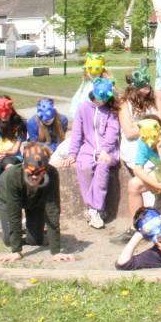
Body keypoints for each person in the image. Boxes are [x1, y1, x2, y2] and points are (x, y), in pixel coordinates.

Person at [0, 143, 74, 263]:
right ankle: (15, 230)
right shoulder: (12, 176)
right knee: (9, 241)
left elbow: (53, 210)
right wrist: (16, 251)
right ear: (23, 166)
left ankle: (26, 226)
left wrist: (56, 251)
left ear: (45, 170)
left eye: (39, 174)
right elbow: (14, 213)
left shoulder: (52, 174)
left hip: (35, 199)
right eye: (30, 173)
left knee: (35, 241)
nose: (34, 177)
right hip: (7, 197)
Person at [64, 77, 121, 229]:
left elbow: (112, 132)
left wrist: (105, 150)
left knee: (102, 167)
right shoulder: (83, 108)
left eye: (103, 99)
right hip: (88, 150)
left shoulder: (111, 110)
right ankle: (94, 209)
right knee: (84, 168)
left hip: (108, 151)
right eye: (98, 98)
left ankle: (95, 208)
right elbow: (77, 133)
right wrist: (72, 154)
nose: (100, 102)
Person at [0, 96, 27, 169]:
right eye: (0, 111)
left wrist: (6, 153)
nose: (4, 116)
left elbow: (15, 150)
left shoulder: (20, 124)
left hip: (13, 157)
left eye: (6, 111)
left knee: (8, 164)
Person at [69, 53, 108, 122]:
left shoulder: (104, 83)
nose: (93, 73)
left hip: (97, 116)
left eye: (96, 70)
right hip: (83, 115)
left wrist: (91, 78)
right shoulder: (86, 83)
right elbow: (78, 100)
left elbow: (99, 87)